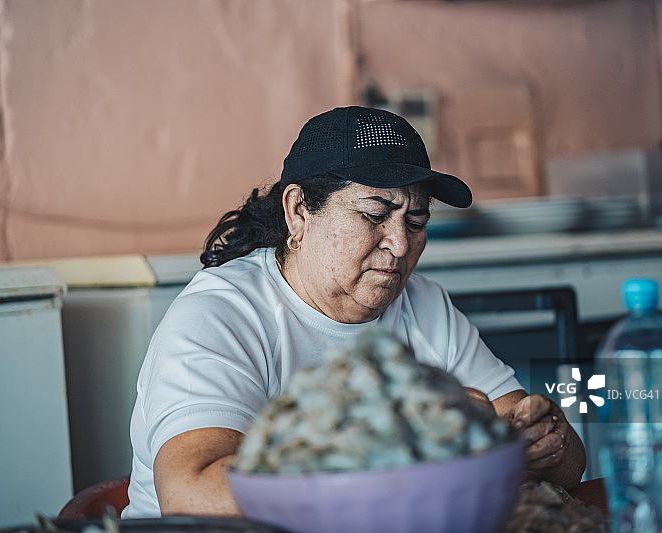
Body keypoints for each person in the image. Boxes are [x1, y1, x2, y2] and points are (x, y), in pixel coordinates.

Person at [123, 105, 586, 518]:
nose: (400, 244)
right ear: (299, 210)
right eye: (373, 214)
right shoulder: (220, 316)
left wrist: (546, 439)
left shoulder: (424, 306)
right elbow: (193, 496)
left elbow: (565, 464)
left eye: (416, 221)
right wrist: (404, 438)